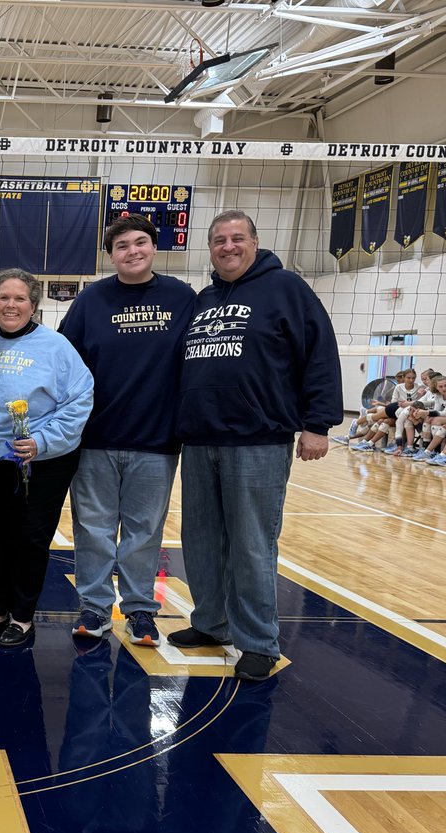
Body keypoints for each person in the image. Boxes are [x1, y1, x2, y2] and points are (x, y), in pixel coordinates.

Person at [170, 210, 342, 681]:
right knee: (201, 540)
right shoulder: (204, 298)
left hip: (258, 439)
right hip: (200, 437)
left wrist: (318, 424)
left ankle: (259, 642)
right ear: (210, 248)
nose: (228, 246)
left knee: (251, 544)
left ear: (255, 241)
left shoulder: (286, 288)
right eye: (219, 240)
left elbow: (320, 354)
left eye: (237, 238)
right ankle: (211, 622)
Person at [60, 213, 196, 646]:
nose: (132, 251)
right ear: (110, 255)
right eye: (122, 246)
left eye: (140, 242)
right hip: (95, 439)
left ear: (154, 247)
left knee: (144, 533)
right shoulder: (90, 300)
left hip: (156, 441)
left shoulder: (182, 297)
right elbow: (65, 362)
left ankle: (140, 611)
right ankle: (95, 608)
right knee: (93, 530)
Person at [0, 269, 93, 647]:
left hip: (41, 460)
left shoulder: (56, 346)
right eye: (3, 297)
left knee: (30, 539)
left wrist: (42, 441)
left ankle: (22, 618)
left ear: (33, 305)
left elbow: (80, 398)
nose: (11, 305)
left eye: (20, 298)